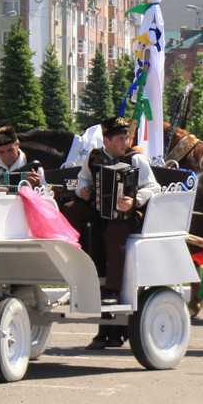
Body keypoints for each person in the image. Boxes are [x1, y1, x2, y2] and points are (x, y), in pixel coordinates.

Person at [60, 115, 160, 321]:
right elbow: (82, 180)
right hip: (98, 210)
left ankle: (112, 289)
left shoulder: (135, 159)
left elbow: (153, 186)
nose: (126, 143)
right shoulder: (94, 157)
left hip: (125, 215)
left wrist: (135, 200)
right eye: (121, 139)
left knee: (114, 232)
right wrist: (83, 190)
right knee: (69, 209)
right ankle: (82, 263)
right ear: (107, 140)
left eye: (127, 138)